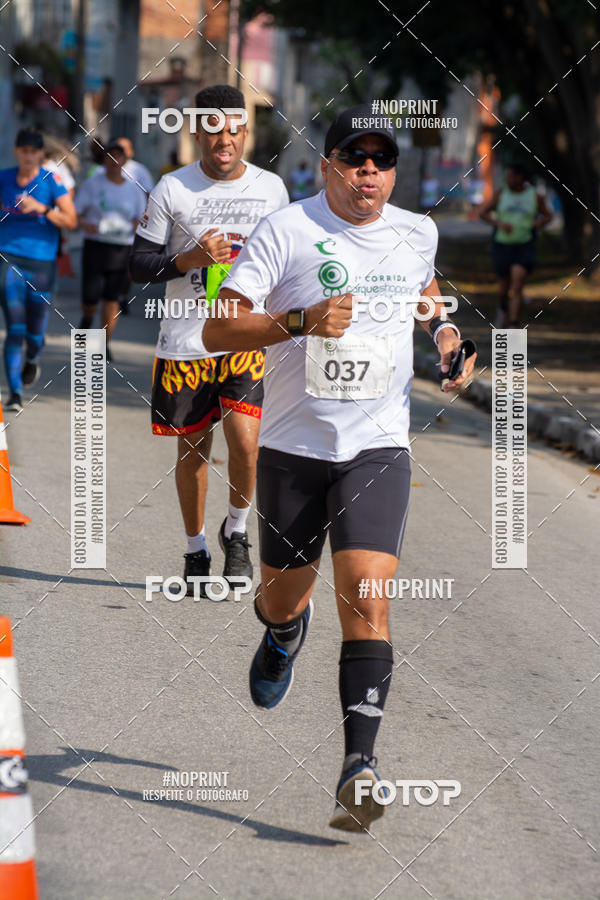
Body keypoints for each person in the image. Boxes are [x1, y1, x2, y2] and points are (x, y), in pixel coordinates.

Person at [203, 103, 476, 832]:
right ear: (327, 166)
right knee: (283, 599)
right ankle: (284, 631)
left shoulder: (417, 231)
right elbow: (217, 326)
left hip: (378, 447)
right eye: (354, 158)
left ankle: (360, 766)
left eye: (382, 160)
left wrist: (447, 334)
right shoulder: (286, 231)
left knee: (368, 595)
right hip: (294, 450)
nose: (369, 172)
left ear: (394, 171)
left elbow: (422, 288)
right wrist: (298, 321)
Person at [129, 84, 289, 596]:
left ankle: (236, 532)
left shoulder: (272, 189)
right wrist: (189, 259)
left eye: (235, 128)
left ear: (246, 131)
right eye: (214, 127)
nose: (226, 138)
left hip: (245, 339)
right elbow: (137, 265)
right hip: (187, 342)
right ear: (197, 131)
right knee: (194, 451)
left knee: (245, 443)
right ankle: (196, 547)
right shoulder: (172, 189)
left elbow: (287, 267)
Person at [0, 128, 76, 411]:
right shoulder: (4, 178)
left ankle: (32, 358)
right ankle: (15, 394)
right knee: (15, 326)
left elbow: (70, 221)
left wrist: (42, 209)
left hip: (42, 262)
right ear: (17, 152)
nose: (29, 157)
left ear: (41, 155)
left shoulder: (52, 181)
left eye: (34, 152)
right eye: (24, 151)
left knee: (34, 332)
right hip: (8, 256)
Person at [75, 139, 146, 360]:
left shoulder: (133, 189)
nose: (115, 162)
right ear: (104, 160)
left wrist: (132, 228)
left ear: (125, 161)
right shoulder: (92, 185)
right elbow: (77, 213)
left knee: (111, 299)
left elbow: (142, 218)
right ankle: (87, 318)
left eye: (119, 157)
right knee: (90, 298)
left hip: (121, 248)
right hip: (95, 245)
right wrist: (85, 224)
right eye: (110, 157)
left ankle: (102, 344)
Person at [480, 163, 552, 326]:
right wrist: (499, 224)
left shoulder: (534, 196)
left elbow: (547, 216)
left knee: (517, 283)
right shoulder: (501, 193)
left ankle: (513, 322)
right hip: (502, 245)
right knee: (503, 288)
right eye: (507, 177)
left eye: (511, 176)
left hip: (524, 244)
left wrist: (539, 223)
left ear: (520, 178)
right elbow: (483, 213)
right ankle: (502, 308)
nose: (507, 180)